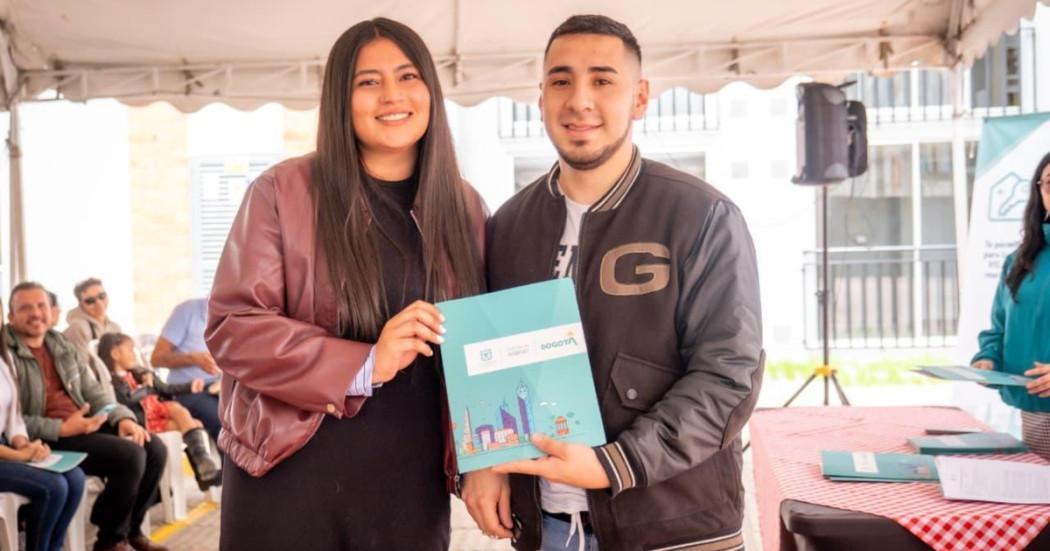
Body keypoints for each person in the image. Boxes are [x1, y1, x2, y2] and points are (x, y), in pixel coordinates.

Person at [466, 15, 763, 551]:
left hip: (676, 530)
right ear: (540, 97)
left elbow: (729, 376)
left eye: (602, 80)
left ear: (640, 97)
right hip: (548, 531)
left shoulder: (701, 215)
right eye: (561, 81)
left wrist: (613, 464)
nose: (579, 99)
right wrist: (485, 463)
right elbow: (495, 364)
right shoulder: (508, 226)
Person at [206, 18, 486, 550]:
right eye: (368, 82)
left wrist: (492, 462)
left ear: (431, 89)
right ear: (341, 97)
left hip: (410, 484)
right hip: (288, 473)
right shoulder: (281, 193)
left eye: (407, 77)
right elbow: (232, 328)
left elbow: (483, 345)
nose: (392, 96)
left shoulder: (466, 208)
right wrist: (364, 363)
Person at [6, 282, 168, 551]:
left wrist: (122, 417)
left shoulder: (60, 344)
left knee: (153, 448)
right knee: (130, 455)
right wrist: (61, 428)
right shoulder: (6, 353)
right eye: (25, 308)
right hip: (45, 438)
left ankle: (131, 529)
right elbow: (12, 419)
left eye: (41, 306)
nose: (35, 313)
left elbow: (94, 392)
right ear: (11, 316)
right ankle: (110, 540)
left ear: (53, 312)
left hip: (83, 426)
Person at [973, 151, 1050, 460]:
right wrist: (987, 360)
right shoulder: (1019, 261)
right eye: (1049, 183)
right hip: (1033, 412)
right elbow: (999, 327)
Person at [0, 296, 85, 551]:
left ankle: (53, 547)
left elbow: (13, 416)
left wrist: (25, 442)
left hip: (7, 446)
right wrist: (18, 455)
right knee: (52, 487)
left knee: (75, 478)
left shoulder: (5, 359)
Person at [99, 332, 221, 490]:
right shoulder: (113, 382)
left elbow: (164, 388)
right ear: (115, 354)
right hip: (146, 419)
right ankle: (202, 470)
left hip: (160, 411)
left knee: (182, 414)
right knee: (191, 422)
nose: (134, 354)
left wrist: (190, 386)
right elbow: (127, 401)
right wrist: (147, 387)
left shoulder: (141, 373)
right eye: (130, 350)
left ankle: (203, 468)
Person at [150, 298, 222, 444]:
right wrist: (193, 359)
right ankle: (227, 466)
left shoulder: (238, 314)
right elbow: (156, 359)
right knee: (222, 420)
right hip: (187, 389)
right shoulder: (187, 311)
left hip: (220, 385)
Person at [63, 278, 121, 385]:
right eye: (90, 301)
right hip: (97, 389)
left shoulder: (115, 327)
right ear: (81, 304)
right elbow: (81, 370)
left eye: (102, 296)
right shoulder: (78, 328)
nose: (98, 303)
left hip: (118, 385)